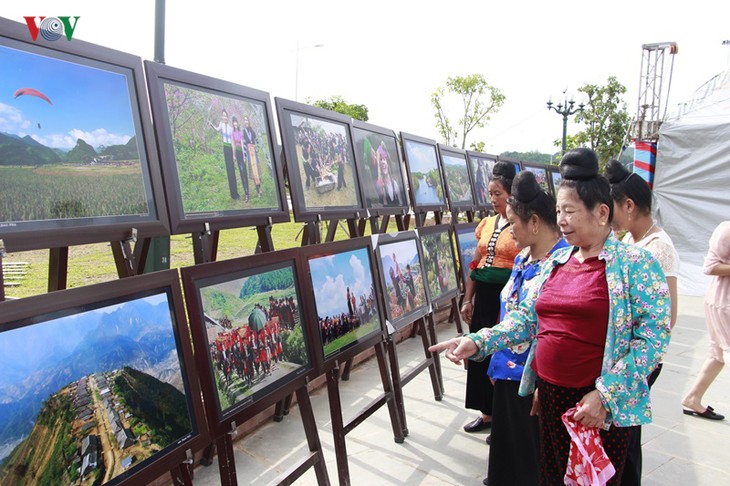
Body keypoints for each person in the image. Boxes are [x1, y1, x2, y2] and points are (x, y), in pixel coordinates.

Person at [431, 148, 672, 485]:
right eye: (558, 210)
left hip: (596, 405)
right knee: (552, 477)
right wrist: (476, 342)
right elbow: (527, 319)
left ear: (602, 212)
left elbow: (654, 340)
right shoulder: (556, 264)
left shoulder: (635, 265)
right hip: (550, 397)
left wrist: (605, 395)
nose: (560, 220)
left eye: (570, 211)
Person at [484, 170, 568, 486]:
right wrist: (493, 360)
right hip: (507, 375)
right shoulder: (521, 259)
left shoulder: (565, 263)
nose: (508, 230)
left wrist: (542, 383)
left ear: (534, 222)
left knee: (535, 464)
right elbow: (510, 314)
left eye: (512, 222)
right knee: (509, 461)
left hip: (537, 382)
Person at [606, 159, 681, 485]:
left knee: (627, 432)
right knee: (620, 429)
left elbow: (668, 316)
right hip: (621, 352)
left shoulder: (658, 249)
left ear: (629, 205)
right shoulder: (630, 241)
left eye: (613, 209)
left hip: (639, 356)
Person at [460, 161, 519, 435]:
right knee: (478, 353)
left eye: (499, 193)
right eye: (491, 193)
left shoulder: (521, 224)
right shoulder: (487, 224)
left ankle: (504, 418)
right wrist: (467, 299)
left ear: (512, 193)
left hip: (506, 300)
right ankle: (486, 413)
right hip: (483, 297)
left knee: (502, 354)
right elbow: (476, 262)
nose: (494, 199)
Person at [681, 220, 730, 421]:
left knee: (717, 354)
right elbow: (710, 267)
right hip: (724, 303)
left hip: (721, 302)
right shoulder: (726, 230)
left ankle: (693, 398)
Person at [208, 109, 239, 199]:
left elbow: (233, 142)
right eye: (223, 115)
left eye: (226, 115)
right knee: (229, 171)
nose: (224, 117)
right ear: (222, 116)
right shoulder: (221, 124)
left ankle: (235, 193)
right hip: (225, 149)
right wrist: (211, 125)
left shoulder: (230, 128)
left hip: (230, 148)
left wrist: (234, 155)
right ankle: (232, 194)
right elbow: (217, 130)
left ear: (228, 117)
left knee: (232, 170)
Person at [231, 116, 251, 202]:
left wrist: (244, 156)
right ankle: (246, 192)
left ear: (238, 123)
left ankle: (247, 193)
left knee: (244, 173)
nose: (235, 123)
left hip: (242, 154)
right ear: (232, 123)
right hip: (237, 155)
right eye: (233, 122)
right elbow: (233, 145)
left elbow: (242, 145)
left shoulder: (240, 133)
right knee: (241, 173)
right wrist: (234, 155)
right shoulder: (232, 133)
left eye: (236, 122)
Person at [242, 116, 262, 197]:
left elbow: (257, 140)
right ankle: (257, 191)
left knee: (258, 171)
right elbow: (243, 144)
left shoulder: (252, 130)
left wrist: (257, 148)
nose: (246, 122)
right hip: (249, 154)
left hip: (255, 153)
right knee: (253, 173)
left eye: (247, 120)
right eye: (244, 120)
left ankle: (260, 188)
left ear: (249, 121)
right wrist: (245, 156)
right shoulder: (243, 131)